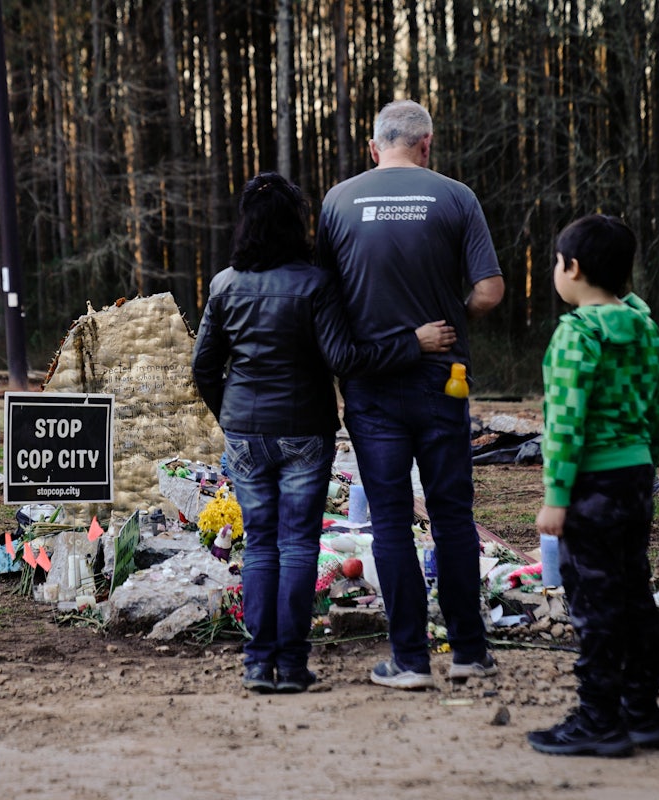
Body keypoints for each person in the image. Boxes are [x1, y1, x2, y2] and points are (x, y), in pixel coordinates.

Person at [192, 171, 456, 694]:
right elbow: (346, 359)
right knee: (296, 547)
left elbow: (204, 368)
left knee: (261, 547)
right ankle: (291, 666)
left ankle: (255, 665)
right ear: (297, 225)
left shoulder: (224, 284)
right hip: (303, 434)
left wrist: (234, 420)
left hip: (245, 432)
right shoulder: (315, 284)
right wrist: (414, 343)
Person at [315, 100, 505, 690]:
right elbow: (491, 290)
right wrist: (454, 315)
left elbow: (325, 296)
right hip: (443, 383)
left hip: (371, 386)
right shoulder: (456, 197)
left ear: (375, 149)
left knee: (392, 522)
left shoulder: (338, 201)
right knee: (452, 518)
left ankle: (409, 661)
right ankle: (470, 652)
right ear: (427, 146)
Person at [526, 214, 659, 757]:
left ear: (574, 269)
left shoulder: (577, 334)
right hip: (635, 476)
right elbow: (656, 409)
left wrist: (556, 497)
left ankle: (598, 720)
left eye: (557, 264)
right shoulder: (644, 328)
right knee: (635, 593)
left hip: (591, 481)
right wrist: (646, 465)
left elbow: (565, 422)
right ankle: (643, 713)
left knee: (594, 602)